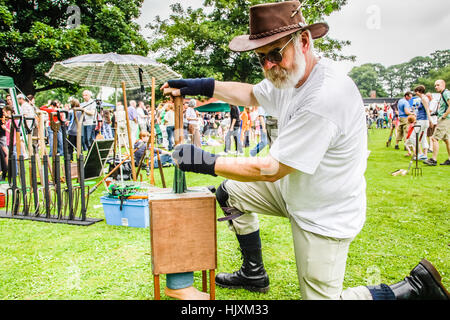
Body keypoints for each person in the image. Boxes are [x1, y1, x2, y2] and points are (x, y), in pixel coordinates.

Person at [161, 1, 449, 301]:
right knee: (229, 193)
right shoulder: (290, 75)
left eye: (275, 54)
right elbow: (251, 94)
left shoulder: (324, 97)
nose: (269, 65)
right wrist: (201, 86)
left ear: (305, 41)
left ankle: (413, 290)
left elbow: (270, 170)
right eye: (261, 59)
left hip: (323, 212)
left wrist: (203, 160)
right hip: (294, 189)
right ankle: (253, 272)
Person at [424, 79, 450, 166]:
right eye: (435, 85)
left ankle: (433, 160)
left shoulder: (446, 93)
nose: (436, 87)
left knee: (434, 138)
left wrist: (444, 115)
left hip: (445, 119)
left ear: (443, 85)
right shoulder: (443, 94)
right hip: (445, 119)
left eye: (438, 85)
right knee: (446, 140)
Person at [412, 85, 432, 160]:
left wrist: (430, 120)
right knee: (423, 137)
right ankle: (425, 155)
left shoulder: (423, 98)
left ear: (418, 91)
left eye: (416, 92)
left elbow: (427, 110)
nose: (415, 93)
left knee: (413, 137)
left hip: (422, 120)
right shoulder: (424, 98)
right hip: (423, 120)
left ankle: (420, 154)